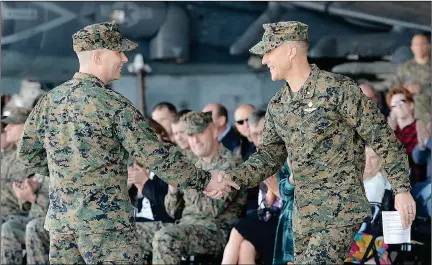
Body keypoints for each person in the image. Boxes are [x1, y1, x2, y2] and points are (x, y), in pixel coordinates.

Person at [17, 21, 235, 264]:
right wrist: (205, 179)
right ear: (98, 56)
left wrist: (70, 172)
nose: (124, 58)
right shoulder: (112, 104)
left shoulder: (49, 102)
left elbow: (28, 154)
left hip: (62, 226)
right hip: (106, 228)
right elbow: (156, 155)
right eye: (118, 51)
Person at [207, 21, 416, 264]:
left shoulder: (339, 90)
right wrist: (230, 178)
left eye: (269, 51)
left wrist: (401, 189)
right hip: (302, 217)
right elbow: (267, 158)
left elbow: (384, 139)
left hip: (338, 211)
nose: (264, 60)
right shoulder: (278, 105)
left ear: (290, 50)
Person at [135, 111, 246, 264]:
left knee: (165, 237)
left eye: (200, 133)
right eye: (191, 135)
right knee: (129, 233)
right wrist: (174, 188)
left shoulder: (230, 164)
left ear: (213, 131)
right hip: (185, 225)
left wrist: (187, 180)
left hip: (215, 231)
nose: (195, 140)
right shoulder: (191, 164)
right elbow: (173, 212)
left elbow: (211, 210)